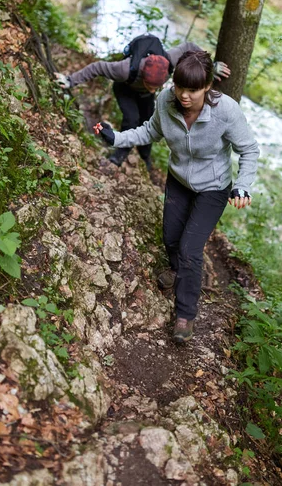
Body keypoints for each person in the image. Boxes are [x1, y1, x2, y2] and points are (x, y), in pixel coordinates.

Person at [93, 50, 259, 344]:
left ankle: (185, 315)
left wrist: (242, 185)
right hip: (179, 181)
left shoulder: (226, 111)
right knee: (171, 238)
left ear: (207, 86)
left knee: (189, 248)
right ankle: (177, 269)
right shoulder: (165, 100)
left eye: (193, 90)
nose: (184, 95)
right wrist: (116, 138)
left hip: (214, 187)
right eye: (180, 87)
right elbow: (149, 131)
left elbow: (249, 150)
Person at [54, 39, 230, 170]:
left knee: (149, 123)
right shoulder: (124, 69)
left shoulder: (171, 59)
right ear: (143, 75)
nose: (155, 90)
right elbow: (97, 67)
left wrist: (210, 67)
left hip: (143, 95)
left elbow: (189, 46)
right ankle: (120, 153)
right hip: (125, 89)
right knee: (131, 119)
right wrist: (70, 80)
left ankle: (145, 157)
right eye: (151, 85)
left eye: (158, 87)